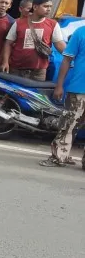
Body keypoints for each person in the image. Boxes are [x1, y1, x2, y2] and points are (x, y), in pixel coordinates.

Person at [40, 25, 85, 168]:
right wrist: (59, 85)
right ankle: (59, 157)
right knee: (69, 125)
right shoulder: (80, 32)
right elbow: (66, 60)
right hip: (79, 89)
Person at [0, 0, 66, 81]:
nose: (49, 9)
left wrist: (74, 57)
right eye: (45, 6)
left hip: (39, 72)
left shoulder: (53, 24)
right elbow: (8, 43)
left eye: (50, 6)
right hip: (16, 69)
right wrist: (5, 62)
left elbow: (59, 44)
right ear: (35, 7)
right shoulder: (19, 23)